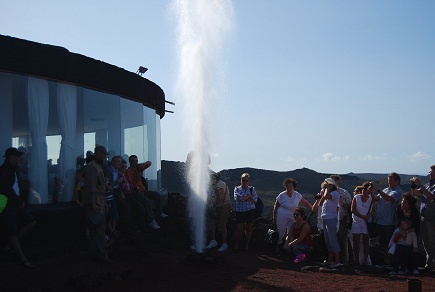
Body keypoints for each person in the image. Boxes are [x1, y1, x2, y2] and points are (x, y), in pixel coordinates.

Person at [0, 147, 37, 268]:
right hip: (8, 204)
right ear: (11, 157)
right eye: (17, 156)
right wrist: (19, 200)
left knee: (28, 223)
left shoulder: (12, 170)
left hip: (12, 203)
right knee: (13, 231)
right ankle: (22, 258)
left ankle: (12, 247)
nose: (19, 159)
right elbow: (7, 189)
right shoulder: (4, 171)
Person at [82, 145, 112, 263]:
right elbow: (91, 186)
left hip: (98, 202)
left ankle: (95, 253)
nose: (105, 157)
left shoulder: (96, 166)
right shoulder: (93, 167)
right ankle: (101, 254)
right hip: (95, 203)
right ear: (99, 153)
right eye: (104, 154)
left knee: (95, 230)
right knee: (98, 230)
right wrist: (94, 204)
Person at [272, 178, 312, 255]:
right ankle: (278, 245)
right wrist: (274, 217)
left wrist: (312, 209)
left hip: (294, 216)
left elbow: (305, 202)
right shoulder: (282, 195)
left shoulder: (297, 195)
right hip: (282, 215)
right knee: (281, 231)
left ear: (294, 187)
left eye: (291, 186)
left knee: (291, 233)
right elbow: (276, 206)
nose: (289, 188)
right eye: (287, 186)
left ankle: (288, 248)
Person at [370, 172, 403, 266]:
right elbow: (377, 199)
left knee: (390, 244)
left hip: (389, 222)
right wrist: (371, 192)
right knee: (383, 244)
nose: (389, 182)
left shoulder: (398, 192)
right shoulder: (386, 189)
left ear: (397, 181)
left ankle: (392, 263)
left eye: (391, 180)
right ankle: (385, 262)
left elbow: (389, 198)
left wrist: (378, 189)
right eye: (388, 180)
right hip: (380, 220)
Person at [120, 159, 160, 230]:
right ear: (130, 162)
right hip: (135, 192)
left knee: (157, 195)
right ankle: (151, 221)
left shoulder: (138, 168)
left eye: (136, 161)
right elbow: (130, 184)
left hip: (142, 190)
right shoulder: (128, 172)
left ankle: (159, 213)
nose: (135, 162)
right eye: (133, 161)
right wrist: (137, 177)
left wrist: (143, 164)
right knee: (146, 202)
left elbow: (149, 163)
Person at [410, 165, 435, 271]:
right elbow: (416, 194)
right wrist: (413, 185)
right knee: (425, 241)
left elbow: (431, 196)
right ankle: (429, 264)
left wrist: (420, 184)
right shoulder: (429, 184)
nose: (430, 174)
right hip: (424, 216)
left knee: (432, 241)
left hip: (432, 216)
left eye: (431, 172)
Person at [350, 182, 376, 265]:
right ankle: (356, 260)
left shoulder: (371, 199)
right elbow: (353, 209)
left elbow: (374, 210)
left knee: (366, 242)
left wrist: (368, 215)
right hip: (357, 221)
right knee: (356, 242)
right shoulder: (356, 197)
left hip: (366, 222)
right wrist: (362, 216)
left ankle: (365, 260)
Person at [205, 172, 232, 252]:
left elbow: (218, 199)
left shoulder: (220, 186)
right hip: (217, 207)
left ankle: (224, 243)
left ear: (214, 179)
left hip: (224, 207)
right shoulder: (215, 185)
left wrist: (210, 205)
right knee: (211, 223)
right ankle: (213, 241)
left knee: (221, 225)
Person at [318, 178, 341, 266]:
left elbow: (326, 196)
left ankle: (337, 260)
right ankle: (330, 259)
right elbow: (321, 203)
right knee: (328, 240)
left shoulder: (335, 194)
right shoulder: (328, 194)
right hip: (326, 218)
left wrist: (326, 189)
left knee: (333, 239)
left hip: (331, 218)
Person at [331, 175, 352, 265]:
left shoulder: (344, 193)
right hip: (330, 219)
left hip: (342, 219)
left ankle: (345, 261)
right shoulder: (326, 193)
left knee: (342, 240)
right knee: (331, 240)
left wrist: (342, 204)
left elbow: (351, 208)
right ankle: (333, 260)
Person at [233, 173, 257, 252]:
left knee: (249, 228)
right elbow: (239, 198)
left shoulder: (252, 189)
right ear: (241, 180)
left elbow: (255, 200)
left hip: (250, 211)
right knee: (239, 228)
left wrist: (245, 198)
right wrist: (249, 196)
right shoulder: (237, 189)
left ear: (248, 181)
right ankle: (236, 244)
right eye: (243, 180)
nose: (244, 182)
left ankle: (246, 245)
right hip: (240, 211)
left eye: (246, 180)